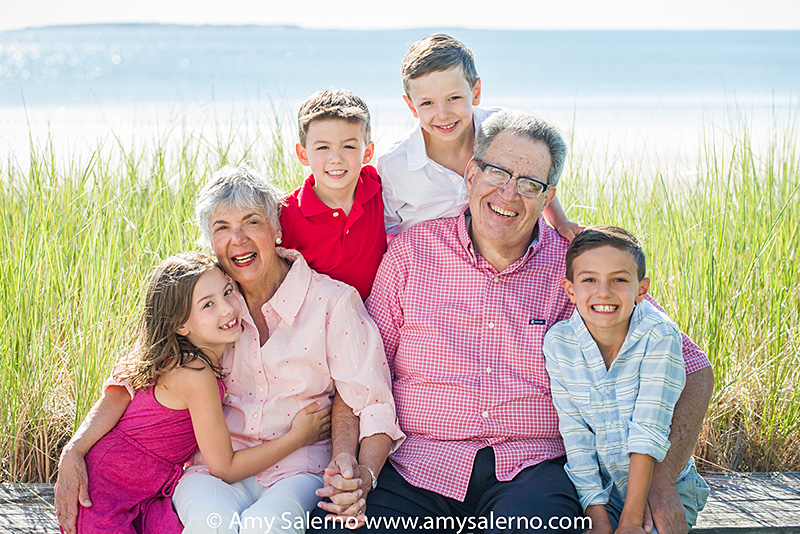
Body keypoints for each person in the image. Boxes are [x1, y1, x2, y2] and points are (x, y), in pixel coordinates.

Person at [311, 110, 713, 534]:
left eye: (529, 183)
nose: (508, 193)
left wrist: (661, 481)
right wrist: (347, 460)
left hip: (533, 470)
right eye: (497, 173)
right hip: (416, 465)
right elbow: (359, 378)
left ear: (547, 196)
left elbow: (693, 369)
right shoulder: (412, 254)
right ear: (471, 174)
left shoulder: (578, 269)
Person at [55, 166, 404, 534]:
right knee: (209, 524)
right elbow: (133, 374)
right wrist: (74, 449)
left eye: (251, 222)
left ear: (277, 229)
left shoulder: (333, 302)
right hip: (214, 468)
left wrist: (361, 474)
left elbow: (373, 403)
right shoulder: (208, 300)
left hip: (300, 469)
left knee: (267, 527)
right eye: (222, 227)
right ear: (210, 240)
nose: (237, 239)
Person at [74, 252, 331, 533]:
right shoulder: (194, 372)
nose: (227, 309)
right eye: (208, 304)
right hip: (110, 487)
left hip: (153, 489)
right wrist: (299, 437)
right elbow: (226, 467)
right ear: (180, 324)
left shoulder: (184, 354)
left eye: (227, 291)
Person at [543, 226, 709, 534]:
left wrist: (631, 522)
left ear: (642, 289)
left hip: (654, 490)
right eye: (589, 279)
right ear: (570, 289)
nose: (603, 292)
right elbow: (576, 437)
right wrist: (598, 518)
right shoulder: (559, 344)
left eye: (619, 279)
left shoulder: (658, 335)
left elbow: (649, 429)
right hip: (599, 492)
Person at [378, 33, 581, 240]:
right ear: (412, 106)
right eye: (427, 103)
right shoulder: (394, 164)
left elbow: (533, 175)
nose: (443, 114)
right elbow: (388, 231)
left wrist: (560, 221)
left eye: (454, 98)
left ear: (476, 92)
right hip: (431, 265)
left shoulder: (503, 130)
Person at [282, 88, 384, 301]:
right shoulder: (286, 215)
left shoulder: (379, 189)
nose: (336, 158)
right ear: (303, 154)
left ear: (368, 152)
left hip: (378, 319)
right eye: (322, 148)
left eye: (348, 146)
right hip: (321, 325)